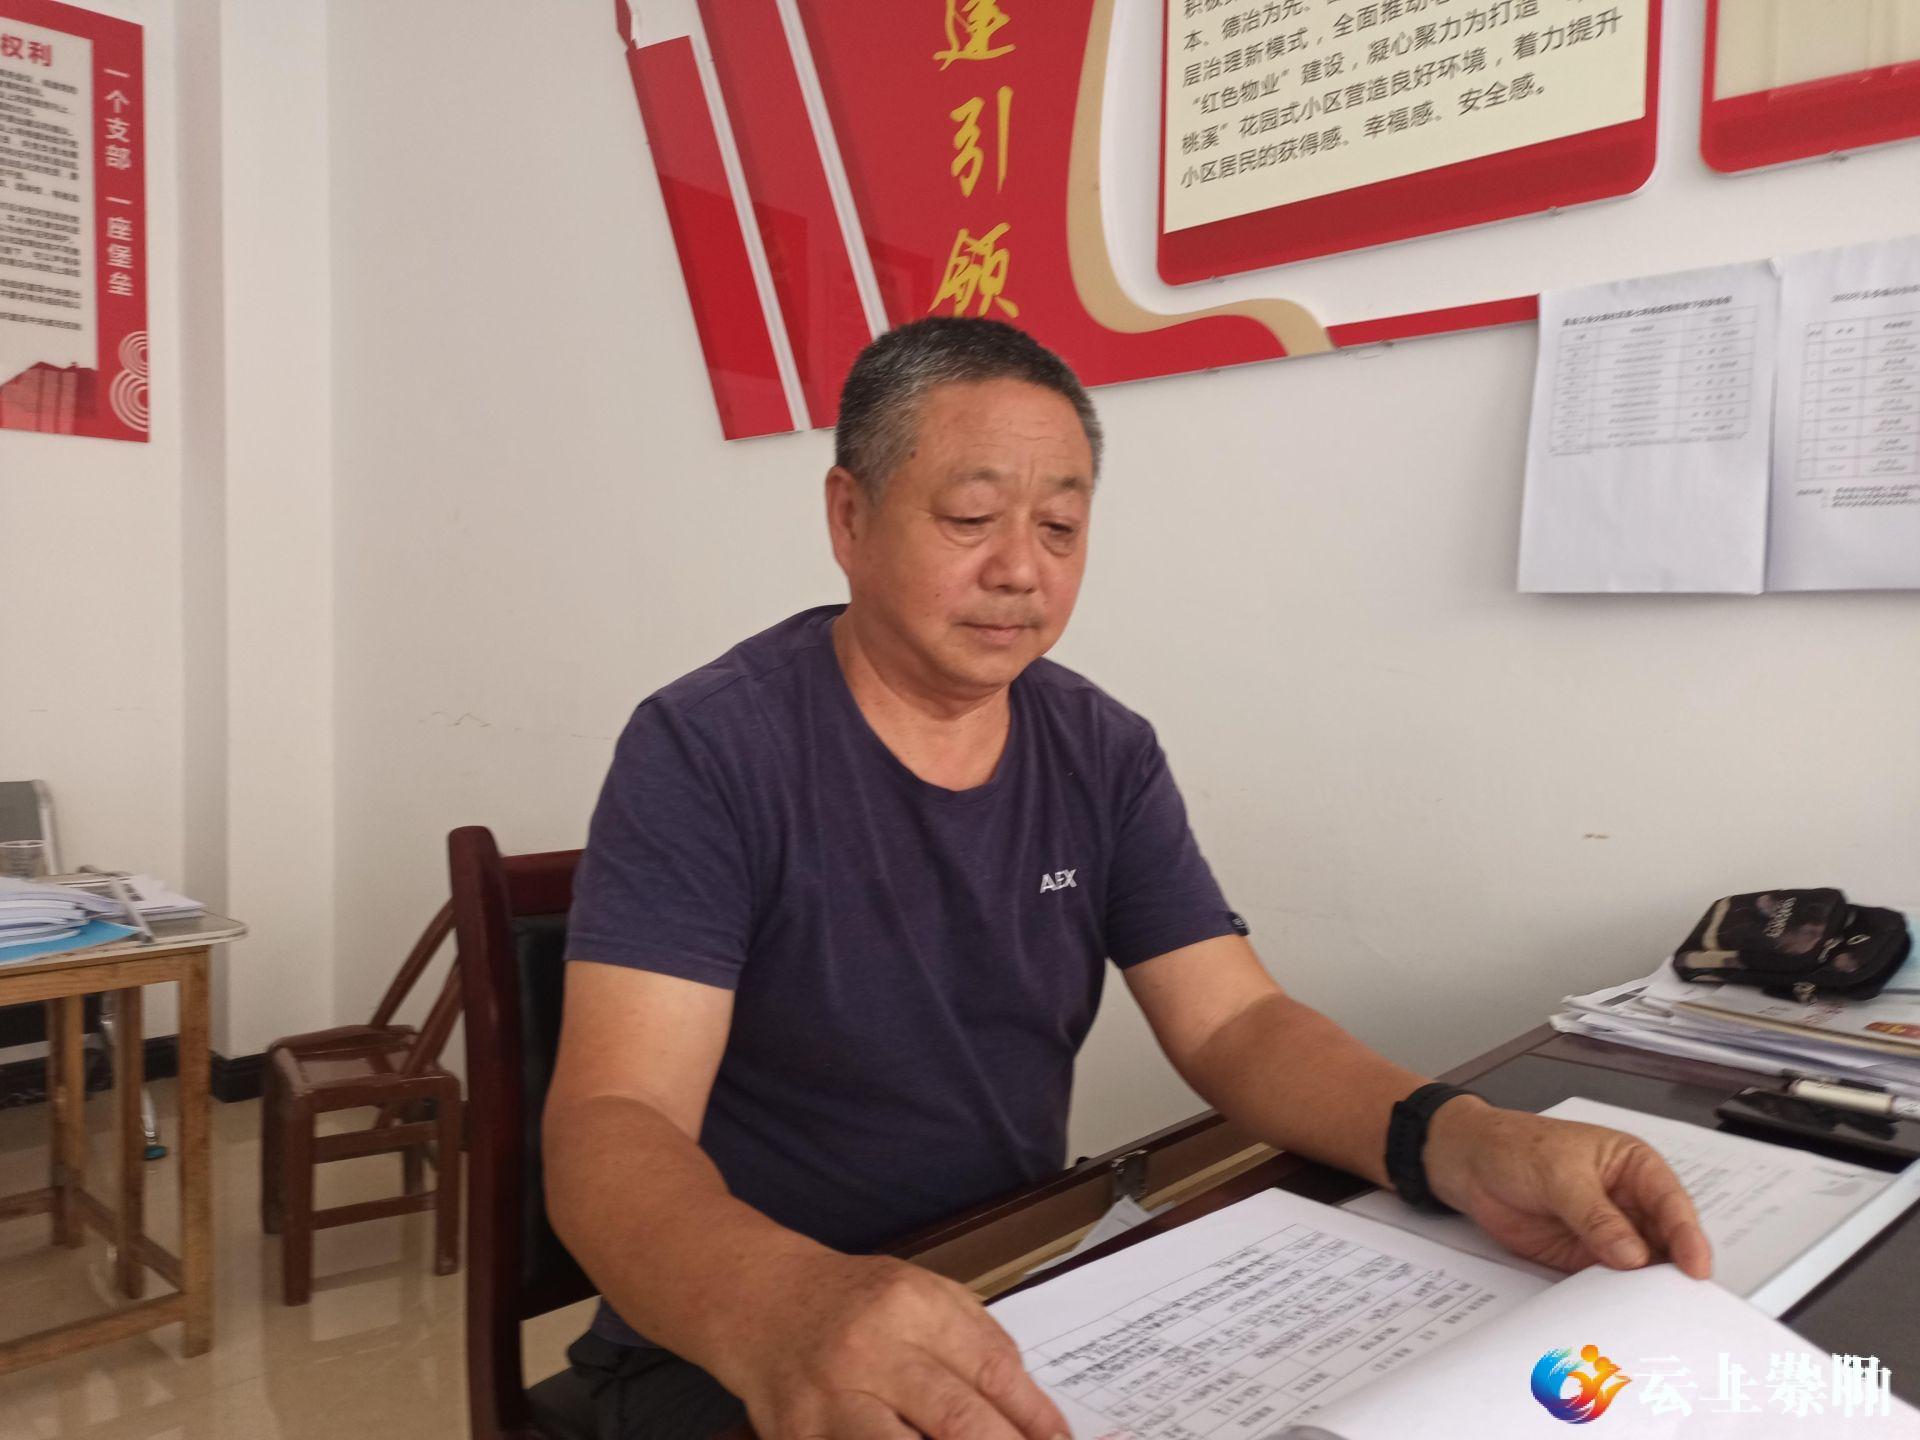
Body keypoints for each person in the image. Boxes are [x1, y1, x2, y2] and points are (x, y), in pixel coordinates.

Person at [545, 318, 1712, 1440]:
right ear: (849, 517)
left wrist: (1460, 1140)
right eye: (970, 518)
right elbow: (616, 1117)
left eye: (1060, 528)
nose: (1021, 570)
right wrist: (782, 1306)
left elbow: (1235, 1022)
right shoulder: (710, 749)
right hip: (740, 1330)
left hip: (1012, 1271)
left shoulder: (1100, 749)